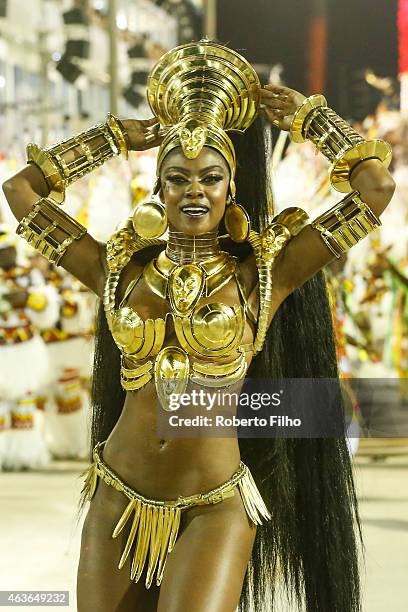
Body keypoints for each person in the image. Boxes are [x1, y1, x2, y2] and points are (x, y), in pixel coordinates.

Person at [2, 41, 395, 612]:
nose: (194, 190)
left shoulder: (265, 276)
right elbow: (20, 192)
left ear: (229, 188)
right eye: (178, 178)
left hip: (214, 507)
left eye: (210, 177)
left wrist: (315, 121)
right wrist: (112, 139)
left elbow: (375, 190)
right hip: (118, 494)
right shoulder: (118, 270)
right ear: (158, 191)